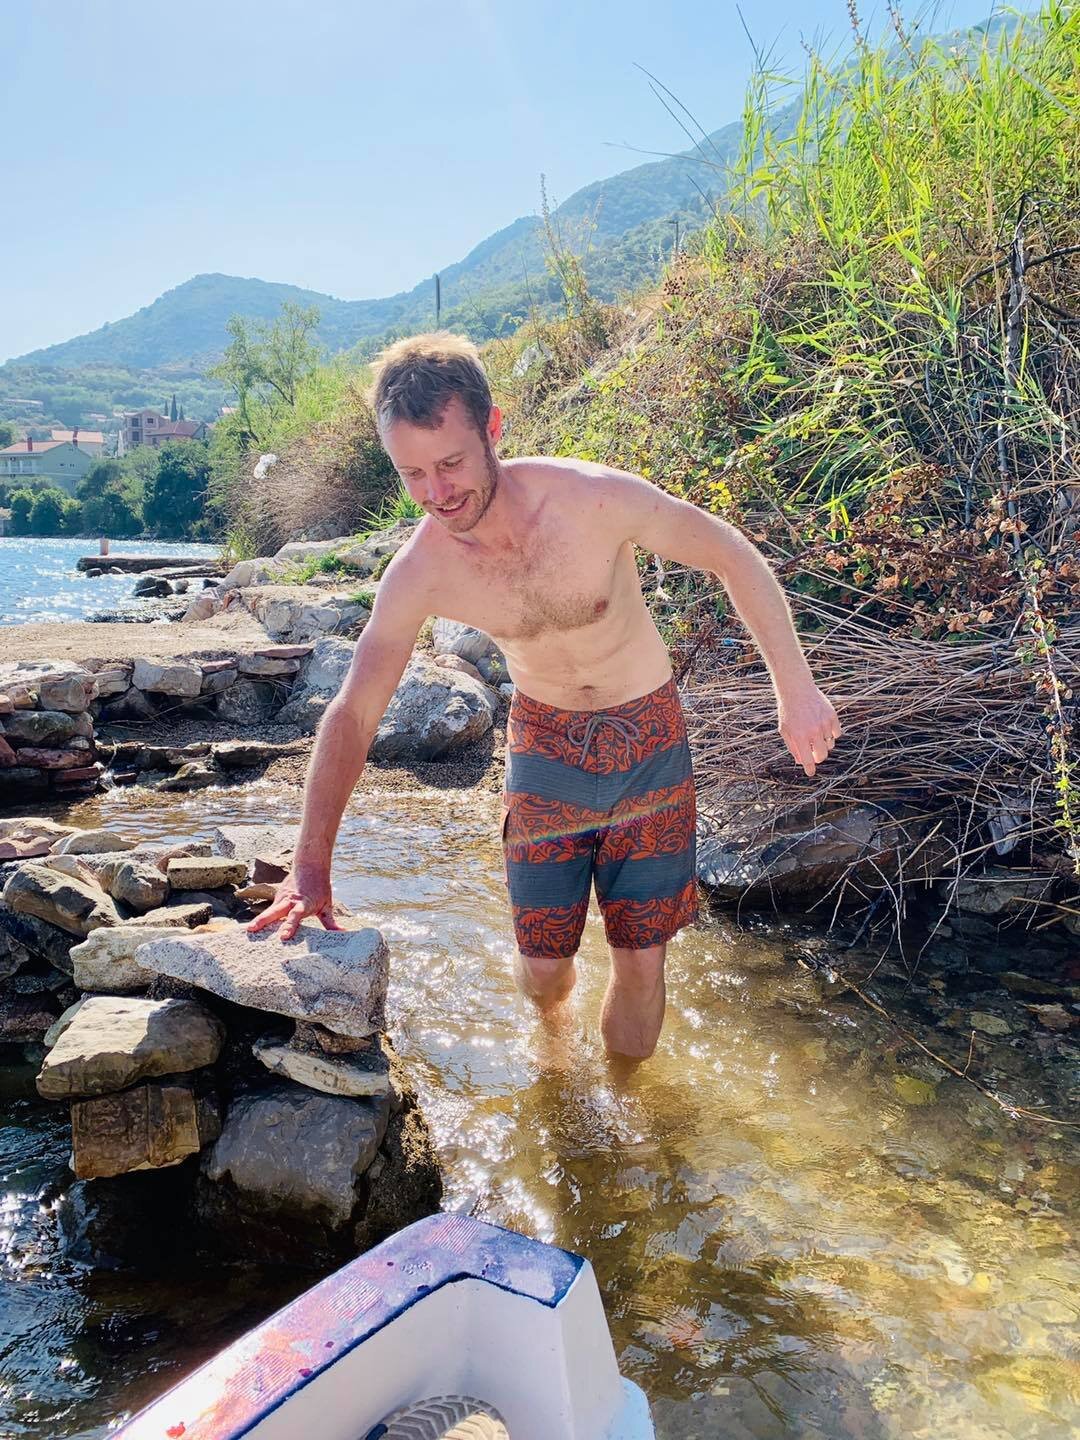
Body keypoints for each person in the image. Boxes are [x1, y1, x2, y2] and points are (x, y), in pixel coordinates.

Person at [248, 333, 841, 1058]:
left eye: (451, 464)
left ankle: (626, 1128)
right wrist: (310, 868)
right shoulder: (420, 572)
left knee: (642, 958)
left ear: (492, 429)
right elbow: (355, 709)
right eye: (413, 475)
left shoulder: (593, 498)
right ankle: (555, 1050)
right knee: (543, 970)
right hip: (545, 747)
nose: (437, 494)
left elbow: (730, 554)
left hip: (647, 737)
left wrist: (796, 689)